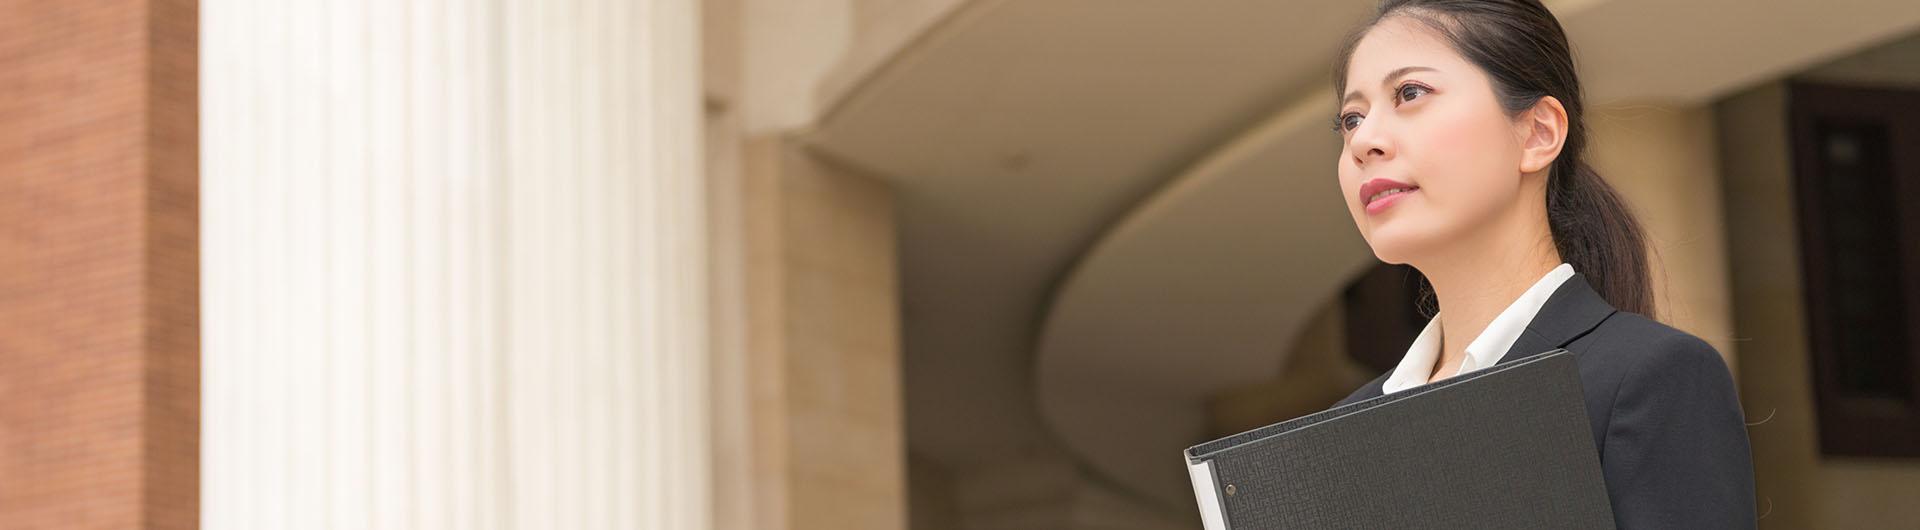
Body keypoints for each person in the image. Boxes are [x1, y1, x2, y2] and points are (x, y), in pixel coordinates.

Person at [1325, 1, 1758, 527]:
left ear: (1538, 133)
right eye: (1351, 119)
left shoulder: (1647, 378)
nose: (1364, 141)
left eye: (1410, 93)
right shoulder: (1341, 431)